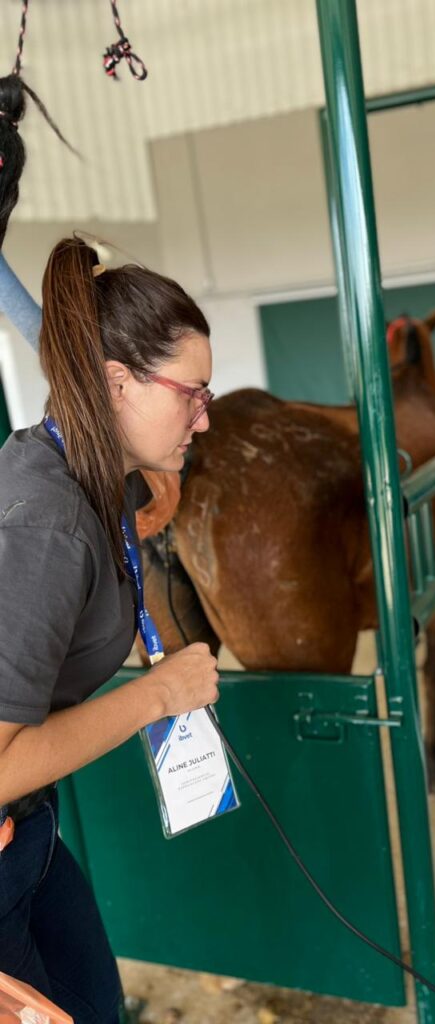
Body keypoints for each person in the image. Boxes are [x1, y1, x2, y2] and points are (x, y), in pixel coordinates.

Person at [0, 232, 221, 1022]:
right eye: (191, 394)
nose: (203, 419)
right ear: (116, 383)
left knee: (100, 1004)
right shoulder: (47, 527)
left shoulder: (84, 474)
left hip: (27, 832)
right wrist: (157, 695)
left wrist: (155, 478)